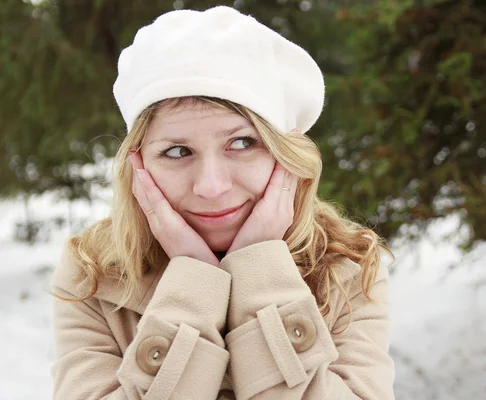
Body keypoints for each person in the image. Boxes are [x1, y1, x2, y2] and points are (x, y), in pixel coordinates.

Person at [50, 6, 395, 400]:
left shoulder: (345, 267)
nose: (211, 187)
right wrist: (194, 288)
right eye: (178, 151)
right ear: (139, 165)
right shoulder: (95, 273)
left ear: (286, 156)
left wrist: (261, 272)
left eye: (243, 143)